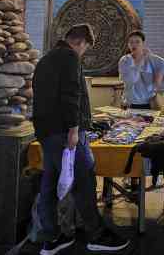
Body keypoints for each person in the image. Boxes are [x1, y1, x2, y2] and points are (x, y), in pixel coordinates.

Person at [33, 25, 129, 255]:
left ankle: (51, 237)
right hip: (66, 134)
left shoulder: (45, 59)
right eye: (85, 48)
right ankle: (96, 235)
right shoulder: (69, 58)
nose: (83, 52)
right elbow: (71, 95)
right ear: (81, 42)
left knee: (49, 184)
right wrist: (74, 131)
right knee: (84, 181)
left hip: (46, 133)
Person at [119, 31, 164, 110]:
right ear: (128, 45)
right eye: (131, 42)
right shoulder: (125, 60)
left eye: (137, 42)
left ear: (143, 44)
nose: (134, 45)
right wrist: (141, 60)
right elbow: (131, 80)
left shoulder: (151, 58)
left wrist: (161, 74)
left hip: (149, 103)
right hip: (130, 103)